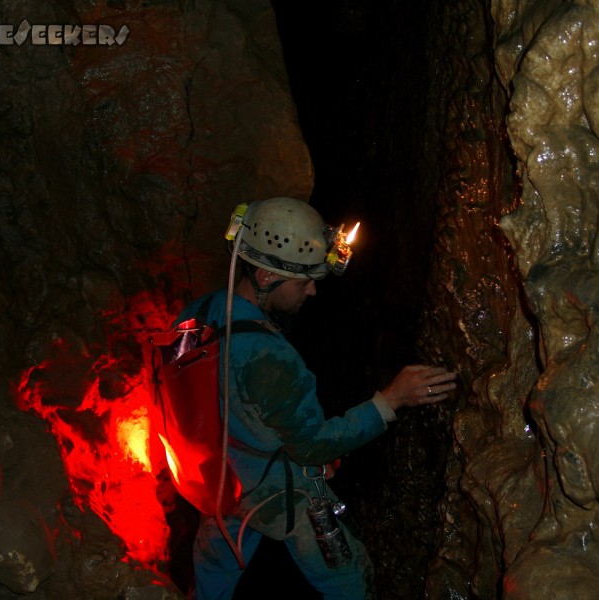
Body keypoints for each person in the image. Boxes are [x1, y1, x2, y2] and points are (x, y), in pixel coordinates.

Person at [175, 197, 456, 600]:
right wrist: (390, 400)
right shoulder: (270, 358)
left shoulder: (197, 313)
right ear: (267, 277)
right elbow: (312, 446)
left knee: (212, 580)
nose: (312, 292)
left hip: (219, 483)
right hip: (272, 490)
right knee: (350, 582)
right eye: (304, 281)